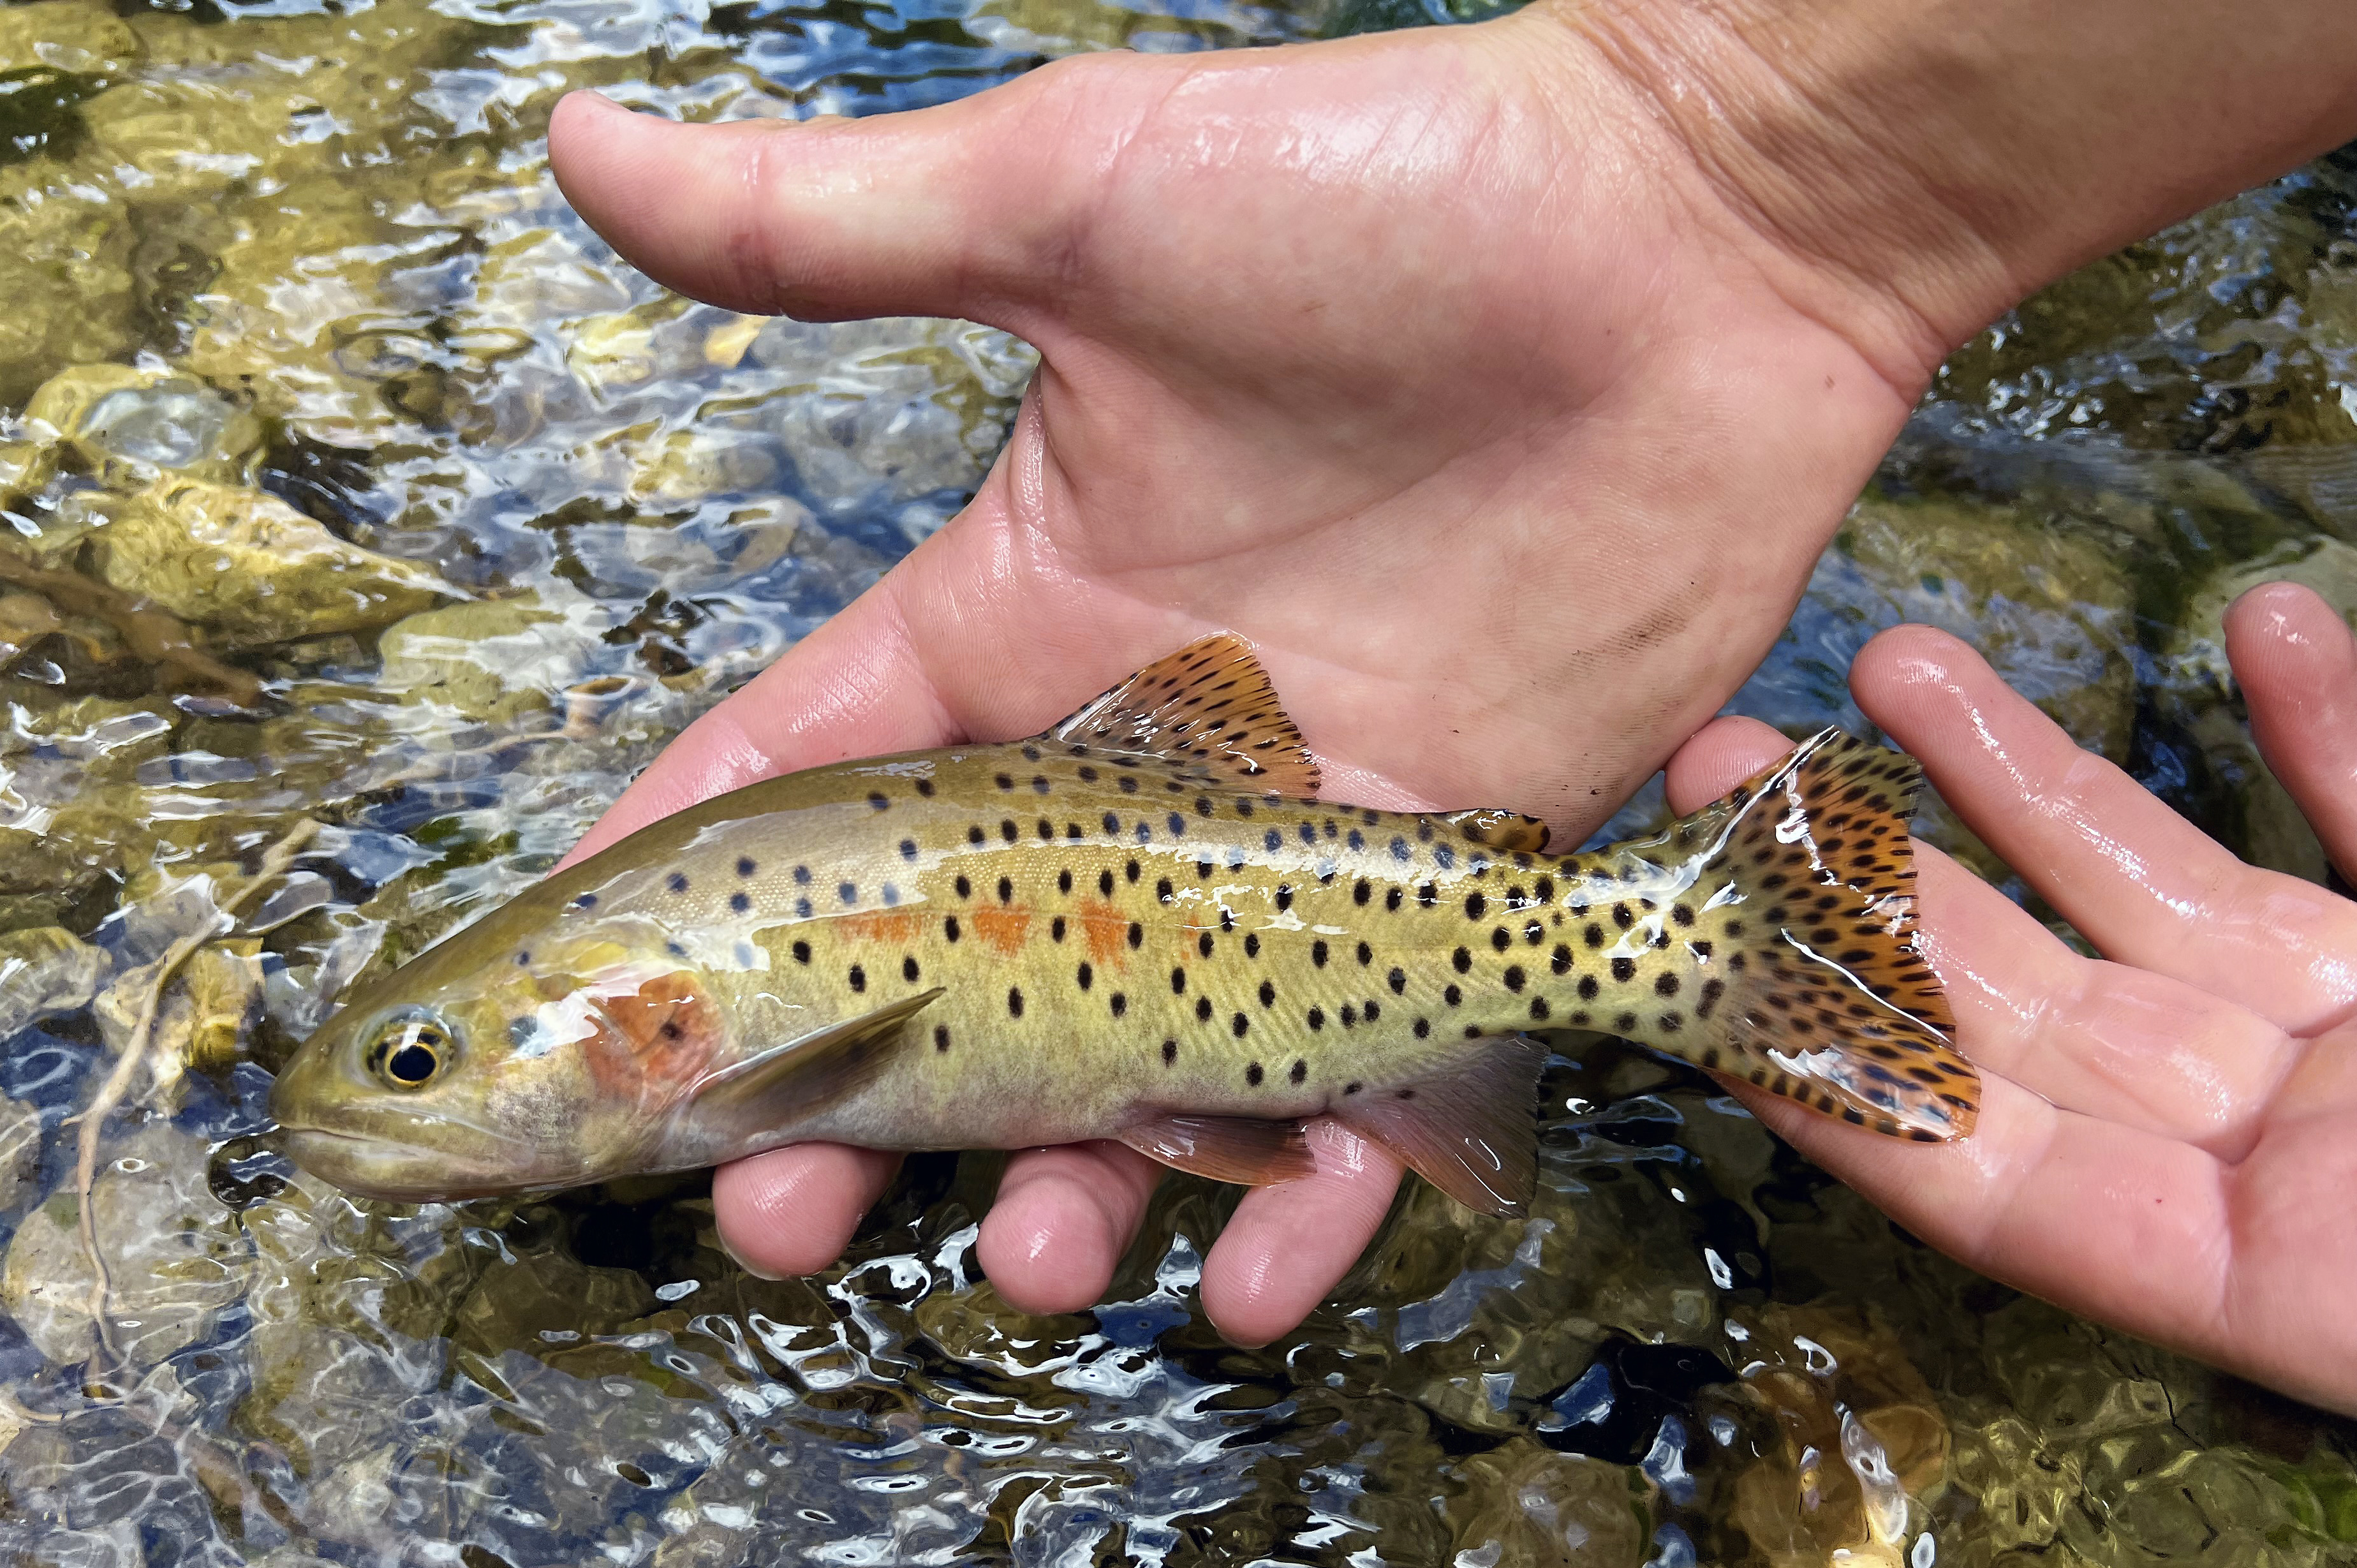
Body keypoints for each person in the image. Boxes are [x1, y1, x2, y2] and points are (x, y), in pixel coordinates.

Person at [543, 0, 2357, 1412]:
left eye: (418, 1069)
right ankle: (1695, 940)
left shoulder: (688, 1004)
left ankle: (1702, 941)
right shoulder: (691, 982)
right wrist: (1754, 168)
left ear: (640, 1034)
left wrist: (1735, 160)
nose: (406, 1099)